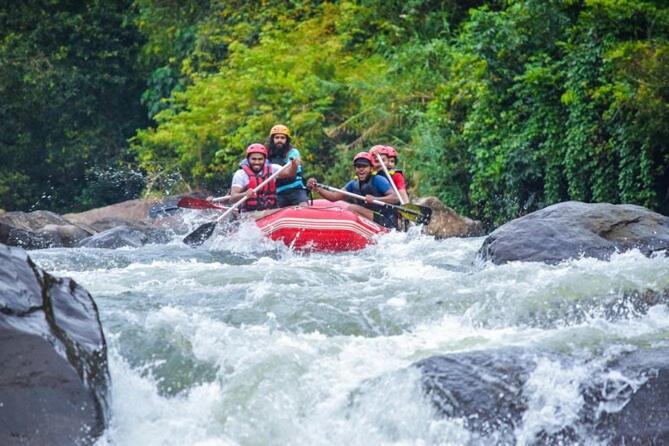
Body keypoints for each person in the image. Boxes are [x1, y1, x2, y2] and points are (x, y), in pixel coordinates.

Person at [306, 152, 400, 228]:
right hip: (372, 219)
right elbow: (334, 197)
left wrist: (376, 199)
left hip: (387, 220)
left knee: (352, 208)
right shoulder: (353, 184)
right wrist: (317, 188)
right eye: (358, 166)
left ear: (371, 168)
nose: (361, 170)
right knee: (349, 209)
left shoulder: (378, 180)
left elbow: (395, 197)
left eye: (364, 166)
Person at [229, 143, 297, 212]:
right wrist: (245, 194)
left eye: (260, 159)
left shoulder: (273, 169)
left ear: (265, 159)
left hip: (270, 211)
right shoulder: (241, 174)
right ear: (248, 159)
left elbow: (290, 174)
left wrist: (294, 165)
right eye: (253, 159)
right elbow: (232, 199)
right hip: (249, 214)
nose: (257, 162)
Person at [266, 124, 308, 207]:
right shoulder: (267, 155)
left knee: (303, 205)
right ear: (272, 139)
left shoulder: (293, 153)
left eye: (282, 138)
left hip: (296, 189)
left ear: (287, 140)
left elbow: (291, 173)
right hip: (278, 192)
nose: (279, 140)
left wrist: (294, 165)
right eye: (277, 138)